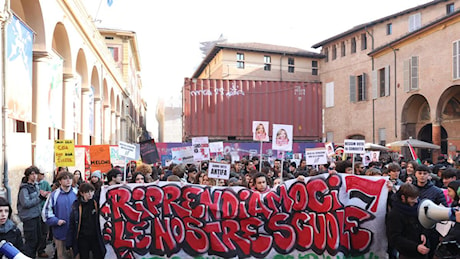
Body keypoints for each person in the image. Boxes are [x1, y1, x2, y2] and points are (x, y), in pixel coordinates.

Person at [386, 183, 430, 258]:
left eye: (416, 198)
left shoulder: (418, 206)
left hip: (421, 249)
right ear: (403, 198)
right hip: (407, 253)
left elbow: (424, 222)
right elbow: (395, 238)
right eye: (413, 199)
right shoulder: (395, 214)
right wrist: (415, 247)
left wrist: (424, 233)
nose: (416, 201)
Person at [43, 171, 77, 259]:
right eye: (65, 179)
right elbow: (46, 213)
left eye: (70, 178)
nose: (68, 180)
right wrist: (57, 221)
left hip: (75, 232)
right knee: (62, 256)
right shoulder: (54, 195)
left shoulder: (77, 193)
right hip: (60, 232)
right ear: (60, 181)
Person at [17, 166, 49, 258]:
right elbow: (25, 203)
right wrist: (40, 198)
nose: (34, 176)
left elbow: (38, 198)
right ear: (28, 175)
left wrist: (44, 195)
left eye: (36, 173)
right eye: (32, 174)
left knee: (38, 239)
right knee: (31, 241)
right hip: (29, 218)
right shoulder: (25, 188)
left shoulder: (36, 186)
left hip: (36, 216)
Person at [67, 183, 106, 258]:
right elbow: (72, 225)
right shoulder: (76, 206)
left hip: (95, 237)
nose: (90, 194)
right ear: (81, 193)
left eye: (91, 191)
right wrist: (69, 243)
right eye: (87, 192)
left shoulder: (96, 203)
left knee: (98, 255)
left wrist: (106, 188)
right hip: (82, 237)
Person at [37, 171, 52, 258]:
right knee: (36, 232)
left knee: (44, 231)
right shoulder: (34, 184)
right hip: (35, 211)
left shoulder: (46, 183)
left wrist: (45, 194)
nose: (41, 176)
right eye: (40, 174)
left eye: (43, 174)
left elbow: (49, 194)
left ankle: (41, 249)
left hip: (44, 209)